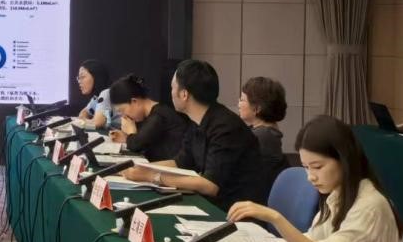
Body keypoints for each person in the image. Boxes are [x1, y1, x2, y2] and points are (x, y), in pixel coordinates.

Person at [229, 115, 403, 242]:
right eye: (306, 168)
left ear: (344, 159)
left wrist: (275, 218)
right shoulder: (340, 194)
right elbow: (314, 241)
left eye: (317, 167)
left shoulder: (370, 205)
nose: (310, 177)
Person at [122, 59, 267, 207]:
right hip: (212, 203)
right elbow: (180, 162)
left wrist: (154, 176)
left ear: (184, 94)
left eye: (172, 88)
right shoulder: (196, 121)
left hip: (233, 210)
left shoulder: (226, 127)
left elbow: (210, 185)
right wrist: (140, 167)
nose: (171, 93)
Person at [106, 74, 188, 162]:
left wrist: (130, 133)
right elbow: (139, 140)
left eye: (122, 110)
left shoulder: (159, 115)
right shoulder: (149, 115)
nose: (123, 115)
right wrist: (126, 137)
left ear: (134, 101)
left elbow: (136, 145)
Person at [238, 76, 288, 185]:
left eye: (242, 100)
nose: (239, 104)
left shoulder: (263, 136)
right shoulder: (265, 132)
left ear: (257, 108)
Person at [74, 59, 117, 130]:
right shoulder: (96, 97)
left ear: (96, 76)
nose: (79, 81)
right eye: (78, 78)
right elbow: (83, 113)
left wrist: (82, 121)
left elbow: (97, 123)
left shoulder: (106, 93)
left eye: (83, 77)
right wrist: (83, 120)